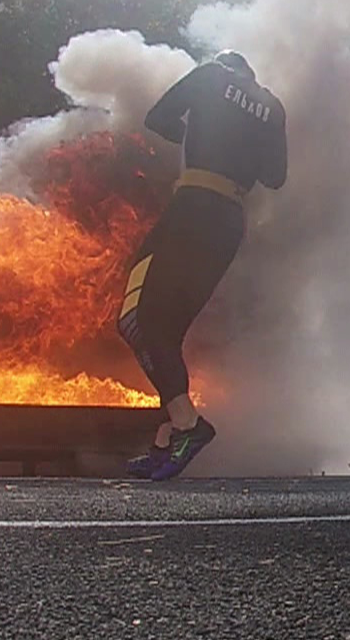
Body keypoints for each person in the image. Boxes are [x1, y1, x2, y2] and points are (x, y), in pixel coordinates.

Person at [120, 50, 287, 480]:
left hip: (192, 207)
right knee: (166, 332)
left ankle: (189, 426)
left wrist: (199, 129)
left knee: (135, 317)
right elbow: (275, 176)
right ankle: (167, 440)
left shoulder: (211, 75)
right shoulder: (271, 106)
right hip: (228, 225)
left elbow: (158, 119)